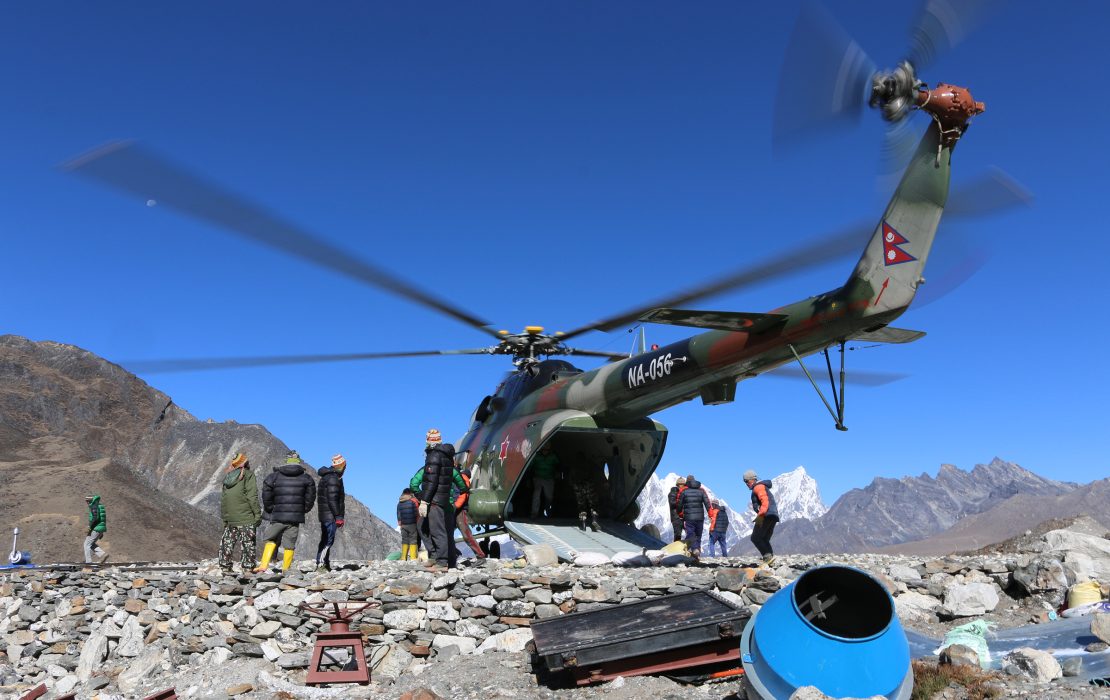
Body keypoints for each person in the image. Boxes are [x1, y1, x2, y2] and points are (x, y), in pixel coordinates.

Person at [256, 449, 316, 573]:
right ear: (298, 462)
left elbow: (266, 493)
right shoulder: (307, 478)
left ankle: (263, 566)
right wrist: (303, 510)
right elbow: (311, 498)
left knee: (270, 539)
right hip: (295, 517)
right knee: (290, 543)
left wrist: (270, 508)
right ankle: (286, 569)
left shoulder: (274, 476)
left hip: (277, 515)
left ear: (286, 461)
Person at [418, 429, 458, 569]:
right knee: (429, 526)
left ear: (429, 441)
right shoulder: (446, 455)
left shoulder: (434, 456)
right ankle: (438, 558)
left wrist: (425, 500)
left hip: (435, 498)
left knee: (436, 530)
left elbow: (431, 481)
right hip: (443, 496)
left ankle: (441, 561)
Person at [218, 452, 261, 572]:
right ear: (245, 463)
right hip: (246, 517)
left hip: (230, 517)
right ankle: (247, 569)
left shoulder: (228, 477)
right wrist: (257, 514)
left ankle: (225, 566)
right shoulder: (248, 475)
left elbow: (224, 499)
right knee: (248, 543)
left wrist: (225, 518)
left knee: (227, 542)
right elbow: (252, 496)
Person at [314, 454, 347, 572]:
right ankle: (321, 564)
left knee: (325, 539)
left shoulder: (328, 476)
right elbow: (333, 498)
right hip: (330, 515)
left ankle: (324, 563)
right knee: (328, 540)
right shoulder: (333, 478)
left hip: (325, 514)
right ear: (341, 466)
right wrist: (338, 516)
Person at [744, 470, 779, 566]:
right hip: (773, 515)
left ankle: (767, 558)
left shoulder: (758, 487)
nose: (746, 484)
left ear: (752, 480)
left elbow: (765, 501)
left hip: (766, 515)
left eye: (746, 481)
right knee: (764, 538)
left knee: (755, 537)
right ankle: (770, 560)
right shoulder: (761, 486)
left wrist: (761, 515)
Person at [454, 467, 485, 560]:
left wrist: (455, 506)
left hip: (458, 510)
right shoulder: (463, 478)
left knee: (466, 534)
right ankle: (453, 553)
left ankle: (480, 556)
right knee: (463, 534)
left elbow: (462, 494)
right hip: (457, 508)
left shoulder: (462, 478)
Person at [678, 475, 710, 558]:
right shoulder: (701, 491)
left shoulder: (684, 491)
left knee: (690, 533)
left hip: (689, 517)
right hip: (700, 517)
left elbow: (679, 505)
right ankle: (697, 551)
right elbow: (707, 503)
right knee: (698, 534)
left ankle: (695, 549)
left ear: (687, 483)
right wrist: (710, 514)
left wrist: (680, 514)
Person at [569, 456, 603, 531]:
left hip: (578, 487)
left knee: (582, 506)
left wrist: (574, 486)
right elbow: (595, 475)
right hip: (588, 486)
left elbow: (571, 479)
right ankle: (594, 520)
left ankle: (583, 525)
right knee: (593, 505)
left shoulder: (574, 467)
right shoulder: (589, 464)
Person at [530, 445, 558, 518]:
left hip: (549, 478)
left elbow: (558, 465)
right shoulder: (536, 456)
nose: (545, 451)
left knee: (549, 497)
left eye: (547, 450)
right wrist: (530, 478)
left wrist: (557, 475)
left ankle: (548, 513)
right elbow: (530, 467)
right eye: (544, 449)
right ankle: (534, 513)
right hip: (538, 478)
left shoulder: (553, 456)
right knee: (536, 495)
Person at [83, 494, 109, 564]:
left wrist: (90, 527)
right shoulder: (99, 505)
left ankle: (88, 563)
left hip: (96, 528)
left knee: (86, 544)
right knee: (91, 544)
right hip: (99, 528)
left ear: (90, 500)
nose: (87, 503)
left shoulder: (94, 506)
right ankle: (103, 555)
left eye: (87, 501)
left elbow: (95, 518)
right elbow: (101, 519)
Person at [397, 488, 420, 560]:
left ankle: (403, 557)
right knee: (413, 540)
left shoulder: (399, 503)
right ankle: (413, 557)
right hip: (412, 524)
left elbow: (398, 514)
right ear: (410, 493)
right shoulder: (412, 502)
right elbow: (416, 513)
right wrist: (417, 522)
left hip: (403, 525)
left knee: (404, 540)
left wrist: (400, 523)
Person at [667, 476, 686, 542]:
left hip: (682, 517)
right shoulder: (673, 493)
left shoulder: (682, 493)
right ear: (678, 485)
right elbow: (672, 503)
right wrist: (681, 501)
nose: (683, 487)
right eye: (682, 485)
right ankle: (675, 549)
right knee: (678, 534)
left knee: (688, 533)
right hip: (676, 517)